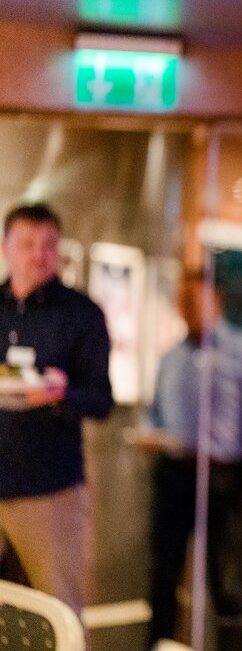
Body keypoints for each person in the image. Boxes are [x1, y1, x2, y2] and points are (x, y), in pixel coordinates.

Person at [138, 271, 242, 648]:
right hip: (173, 475)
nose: (188, 309)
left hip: (223, 480)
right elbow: (153, 414)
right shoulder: (171, 357)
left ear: (215, 302)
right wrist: (148, 433)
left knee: (225, 583)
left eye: (196, 300)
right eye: (183, 301)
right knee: (162, 579)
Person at [0, 202, 113, 615]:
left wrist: (61, 396)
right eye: (27, 244)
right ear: (5, 248)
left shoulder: (82, 314)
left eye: (48, 245)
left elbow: (102, 400)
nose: (37, 255)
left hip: (50, 493)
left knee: (58, 612)